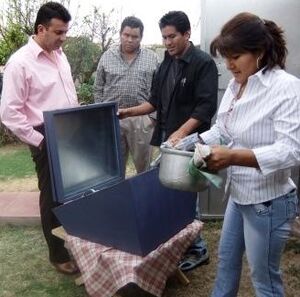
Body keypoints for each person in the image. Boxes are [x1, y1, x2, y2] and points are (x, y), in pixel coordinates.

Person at [196, 12, 300, 296]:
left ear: (260, 51)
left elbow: (291, 150)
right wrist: (189, 143)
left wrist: (232, 157)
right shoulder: (235, 85)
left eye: (236, 56)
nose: (229, 64)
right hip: (239, 196)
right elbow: (222, 128)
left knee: (264, 280)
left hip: (268, 202)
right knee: (226, 264)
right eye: (226, 56)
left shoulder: (286, 88)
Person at [119, 11, 218, 270]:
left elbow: (206, 107)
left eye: (172, 36)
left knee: (187, 196)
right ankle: (174, 244)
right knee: (165, 193)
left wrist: (181, 132)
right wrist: (127, 111)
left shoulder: (202, 63)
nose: (167, 42)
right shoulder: (166, 63)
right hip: (167, 139)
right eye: (164, 37)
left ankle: (198, 249)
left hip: (191, 143)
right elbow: (154, 101)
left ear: (187, 34)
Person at [0, 2, 79, 275]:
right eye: (58, 32)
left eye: (66, 32)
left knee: (78, 192)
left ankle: (77, 245)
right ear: (41, 29)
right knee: (53, 198)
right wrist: (42, 142)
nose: (63, 38)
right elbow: (9, 114)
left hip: (71, 131)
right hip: (45, 136)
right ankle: (58, 255)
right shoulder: (20, 63)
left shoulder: (61, 56)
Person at [94, 16, 159, 175]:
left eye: (134, 36)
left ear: (141, 37)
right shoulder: (107, 56)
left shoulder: (153, 58)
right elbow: (98, 88)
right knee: (113, 169)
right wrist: (102, 116)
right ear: (120, 34)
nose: (130, 40)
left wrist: (152, 117)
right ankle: (116, 199)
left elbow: (160, 92)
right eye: (126, 35)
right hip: (113, 119)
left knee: (145, 169)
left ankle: (144, 199)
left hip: (142, 120)